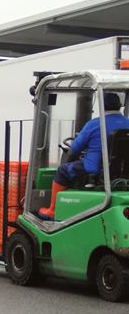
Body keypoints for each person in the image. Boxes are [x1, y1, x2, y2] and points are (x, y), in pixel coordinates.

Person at [39, 92, 129, 220]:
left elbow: (74, 149)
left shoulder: (94, 124)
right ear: (119, 106)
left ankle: (52, 210)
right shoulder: (127, 123)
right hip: (122, 171)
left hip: (95, 168)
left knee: (63, 170)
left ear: (102, 106)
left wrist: (72, 155)